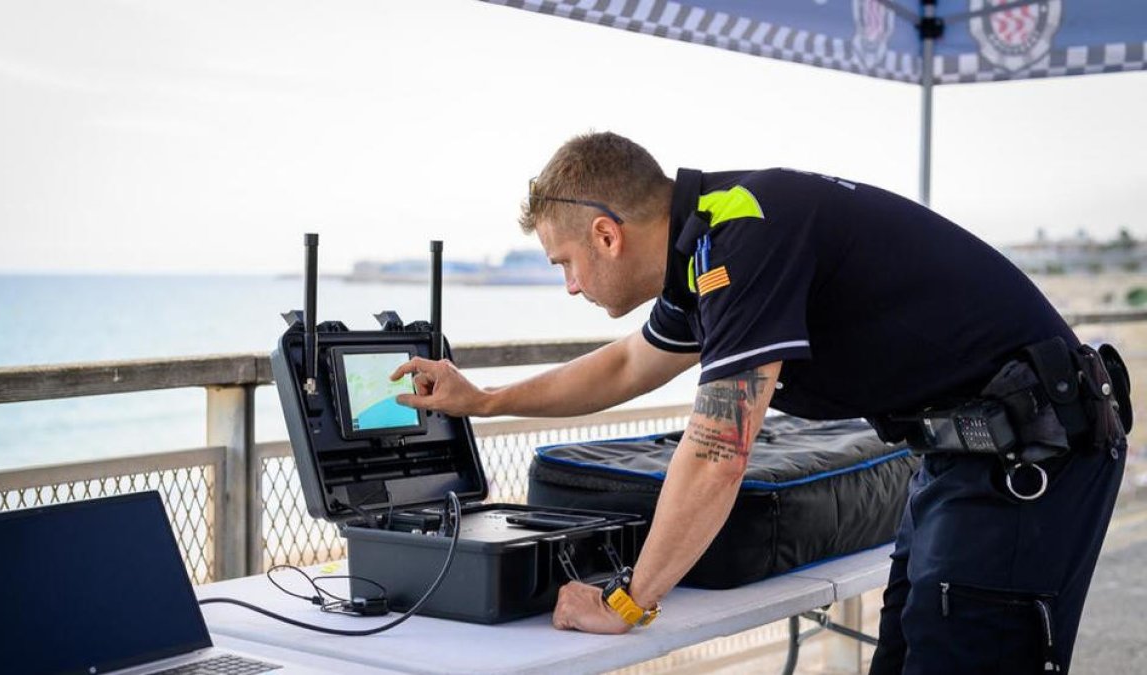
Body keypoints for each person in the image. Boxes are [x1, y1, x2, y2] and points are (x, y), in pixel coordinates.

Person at [389, 132, 1128, 674]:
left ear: (606, 235)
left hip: (1030, 456)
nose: (571, 286)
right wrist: (481, 398)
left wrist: (627, 600)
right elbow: (626, 366)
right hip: (958, 460)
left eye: (565, 264)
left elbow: (717, 449)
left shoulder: (742, 234)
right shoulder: (707, 242)